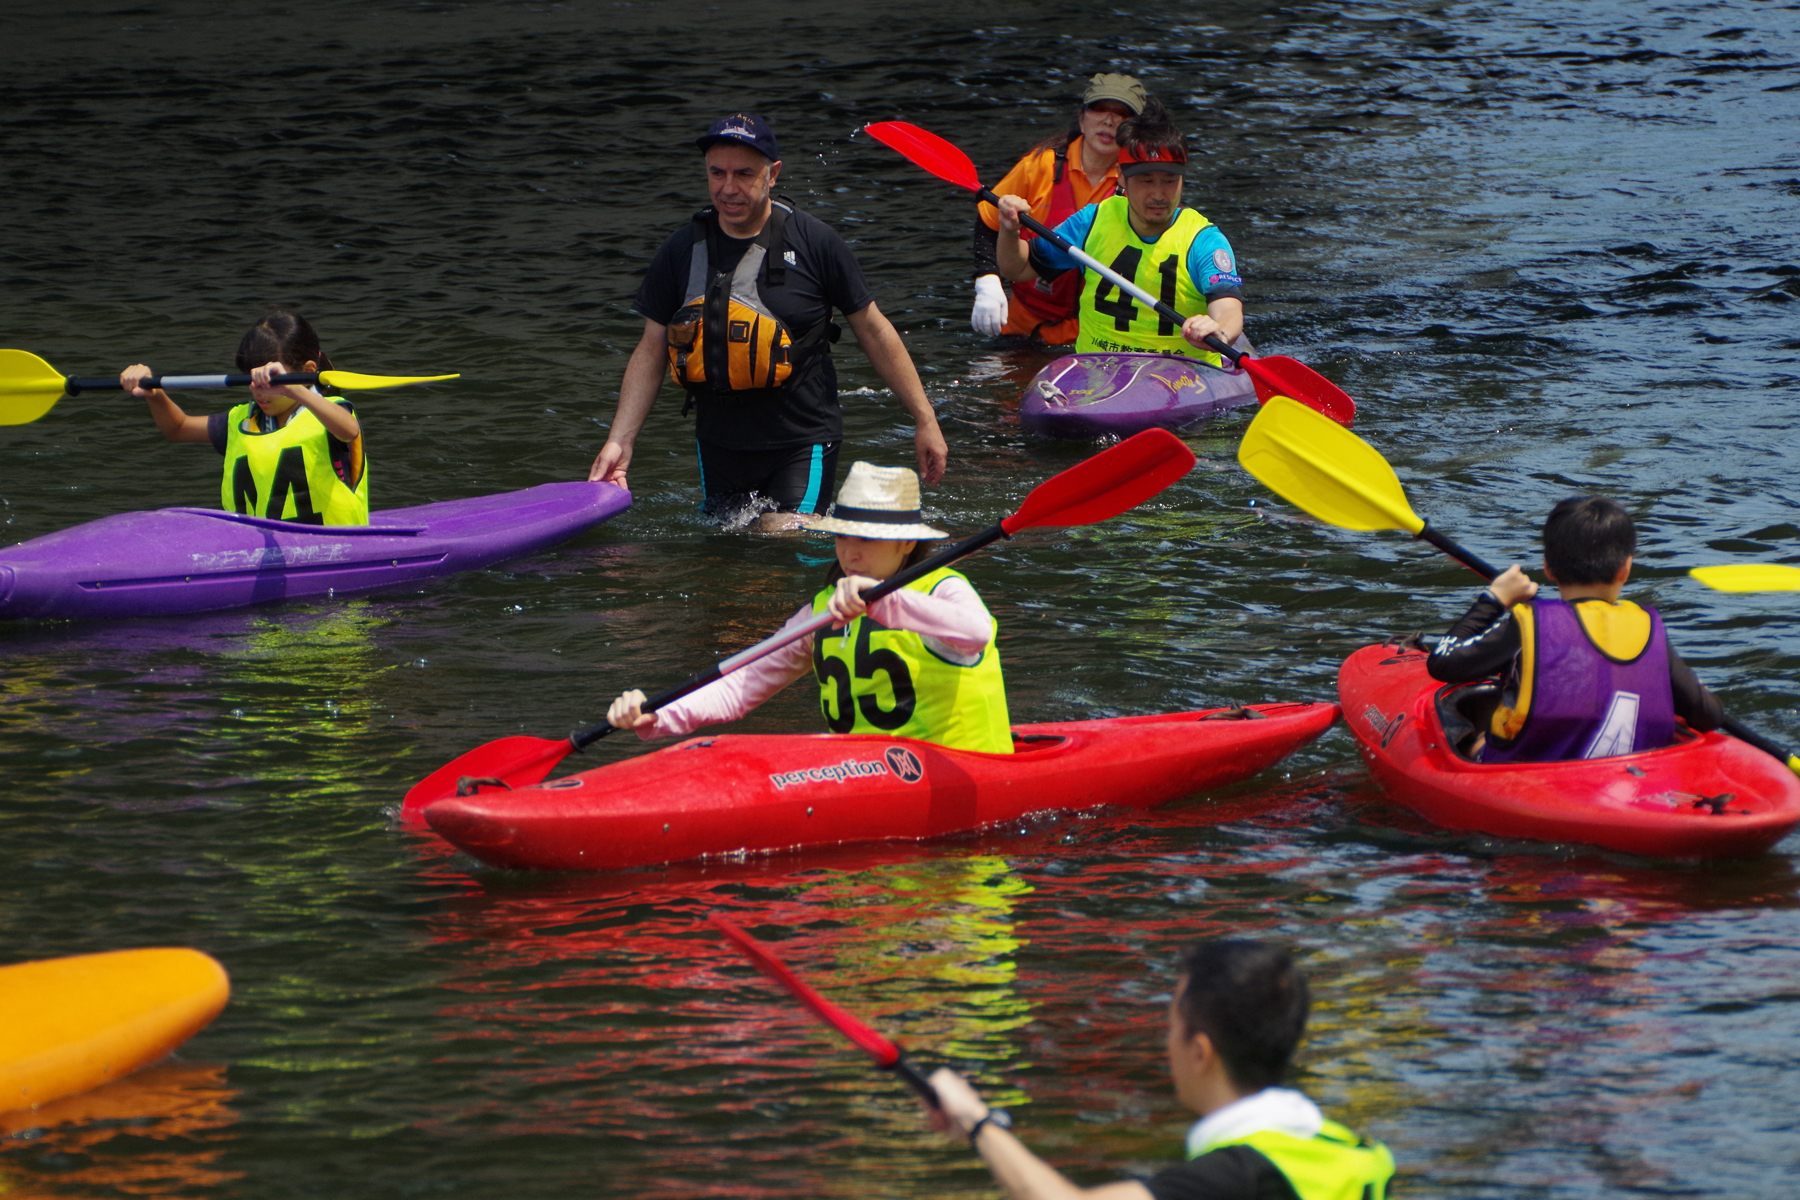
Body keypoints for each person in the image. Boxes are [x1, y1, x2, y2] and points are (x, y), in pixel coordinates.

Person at [587, 112, 949, 533]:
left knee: (780, 535)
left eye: (744, 174)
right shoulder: (683, 249)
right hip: (720, 441)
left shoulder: (816, 243)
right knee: (732, 558)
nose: (728, 188)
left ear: (773, 174)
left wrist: (925, 420)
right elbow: (651, 348)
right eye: (717, 173)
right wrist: (620, 440)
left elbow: (873, 329)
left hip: (802, 438)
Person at [926, 939, 1395, 1200]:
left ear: (1201, 1052)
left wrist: (977, 1122)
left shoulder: (1236, 1178)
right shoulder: (1358, 1153)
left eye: (1172, 1027)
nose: (1165, 1043)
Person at [607, 461, 1011, 753]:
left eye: (867, 540)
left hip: (965, 768)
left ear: (907, 543)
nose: (851, 553)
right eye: (843, 537)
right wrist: (659, 716)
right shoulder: (822, 611)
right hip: (865, 777)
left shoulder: (944, 588)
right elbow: (740, 686)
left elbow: (977, 632)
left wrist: (885, 601)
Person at [1428, 496, 1724, 761]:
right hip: (1634, 776)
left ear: (1548, 568)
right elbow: (1708, 716)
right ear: (1625, 569)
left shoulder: (1528, 622)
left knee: (1472, 728)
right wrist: (1704, 696)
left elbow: (1442, 662)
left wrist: (1494, 600)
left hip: (1532, 778)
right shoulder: (1648, 625)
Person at [994, 105, 1245, 368]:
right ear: (1122, 177)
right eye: (1146, 181)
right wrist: (1009, 230)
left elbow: (1228, 308)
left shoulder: (1203, 240)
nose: (1159, 195)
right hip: (1096, 369)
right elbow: (1018, 268)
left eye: (1170, 181)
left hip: (1180, 374)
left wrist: (1220, 332)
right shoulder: (1091, 222)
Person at [123, 311, 369, 525]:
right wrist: (154, 395)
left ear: (307, 372)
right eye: (252, 381)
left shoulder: (333, 412)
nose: (258, 391)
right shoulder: (242, 421)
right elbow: (178, 428)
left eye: (270, 382)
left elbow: (349, 430)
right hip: (257, 555)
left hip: (331, 553)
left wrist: (294, 388)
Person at [970, 73, 1148, 346]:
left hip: (1096, 334)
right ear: (1081, 118)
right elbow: (989, 220)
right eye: (1099, 109)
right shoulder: (1041, 165)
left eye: (1123, 114)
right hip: (1021, 327)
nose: (1110, 121)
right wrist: (987, 280)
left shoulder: (1141, 180)